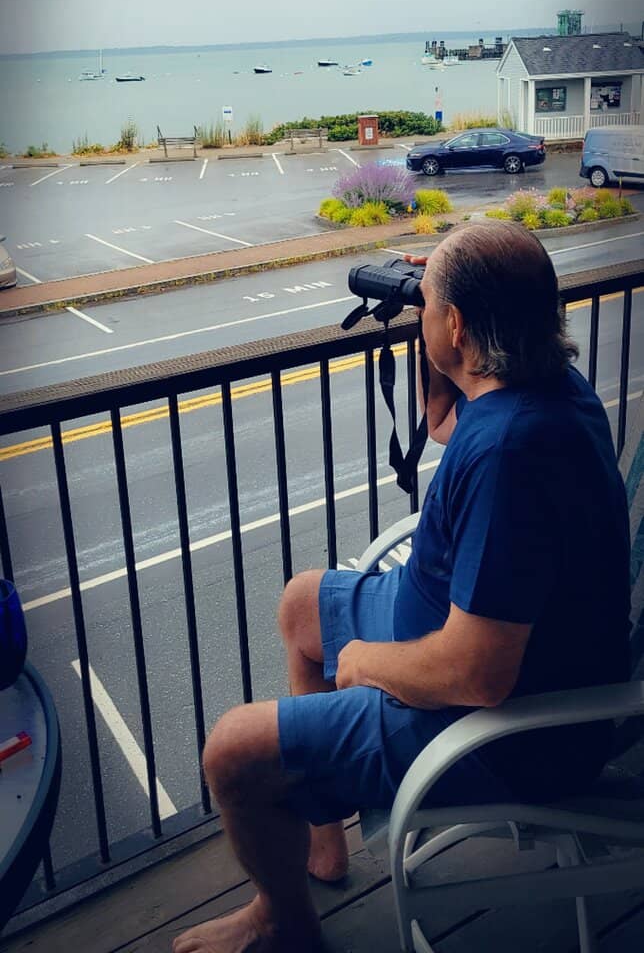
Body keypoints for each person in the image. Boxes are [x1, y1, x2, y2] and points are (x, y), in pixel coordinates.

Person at [173, 220, 631, 953]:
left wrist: (365, 664)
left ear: (457, 326)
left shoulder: (511, 452)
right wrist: (440, 297)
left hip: (502, 729)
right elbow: (441, 420)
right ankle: (323, 839)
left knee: (232, 750)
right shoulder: (541, 381)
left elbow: (478, 674)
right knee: (302, 603)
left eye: (430, 305)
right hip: (455, 618)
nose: (422, 311)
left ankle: (282, 922)